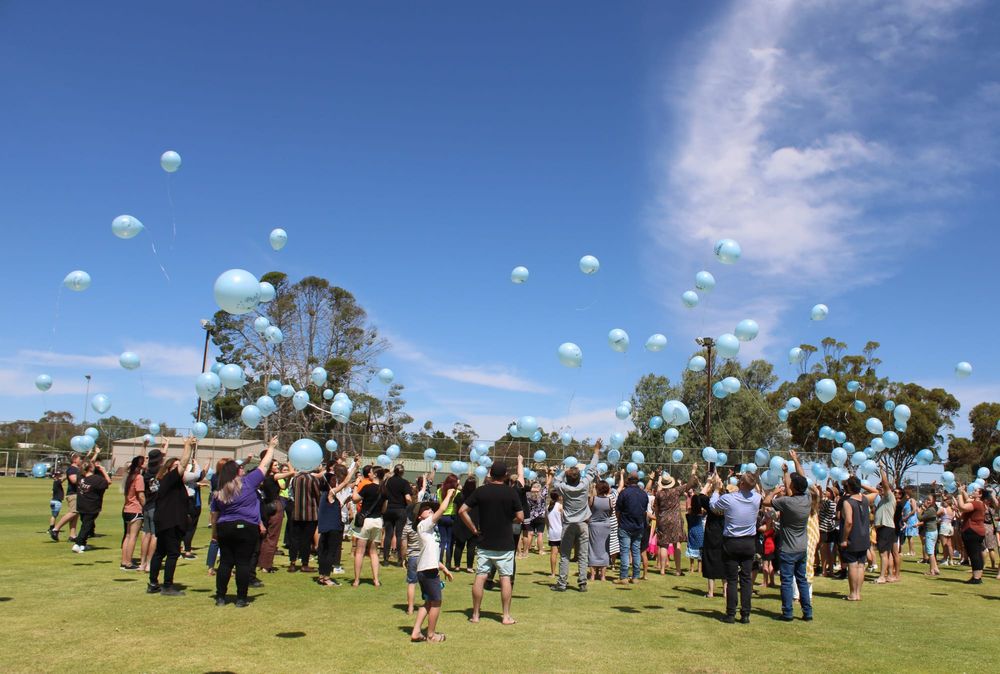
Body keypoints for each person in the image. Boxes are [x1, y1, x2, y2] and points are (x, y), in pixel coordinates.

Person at [209, 436, 275, 607]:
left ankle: (221, 597)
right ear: (236, 472)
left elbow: (215, 515)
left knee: (225, 562)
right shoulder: (248, 482)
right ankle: (241, 598)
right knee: (243, 563)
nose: (242, 469)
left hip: (225, 527)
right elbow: (265, 465)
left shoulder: (219, 491)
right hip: (246, 528)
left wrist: (214, 533)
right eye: (240, 467)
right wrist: (272, 447)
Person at [459, 462, 523, 625]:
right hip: (505, 542)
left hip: (484, 541)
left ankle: (475, 614)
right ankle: (506, 616)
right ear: (505, 475)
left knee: (480, 577)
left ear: (490, 474)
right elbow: (521, 517)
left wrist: (473, 529)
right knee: (505, 578)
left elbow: (462, 511)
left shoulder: (481, 491)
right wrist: (509, 520)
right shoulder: (511, 492)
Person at [762, 450, 813, 622]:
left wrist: (774, 491)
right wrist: (794, 462)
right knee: (802, 580)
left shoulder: (786, 502)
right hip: (801, 547)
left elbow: (766, 502)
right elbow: (802, 477)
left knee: (786, 581)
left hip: (787, 549)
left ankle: (788, 613)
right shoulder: (807, 499)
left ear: (793, 488)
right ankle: (807, 612)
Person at [709, 471, 760, 623]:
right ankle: (745, 614)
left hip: (732, 542)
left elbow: (713, 506)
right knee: (746, 579)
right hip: (749, 542)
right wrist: (748, 479)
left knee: (732, 579)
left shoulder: (728, 498)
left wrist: (717, 490)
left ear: (742, 483)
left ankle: (731, 614)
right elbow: (755, 488)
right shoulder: (757, 498)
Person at [551, 440, 601, 592]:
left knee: (565, 555)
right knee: (583, 554)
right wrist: (596, 451)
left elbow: (555, 481)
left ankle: (562, 583)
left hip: (568, 525)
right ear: (579, 477)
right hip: (583, 525)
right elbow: (592, 469)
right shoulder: (585, 484)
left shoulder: (564, 487)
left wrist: (563, 472)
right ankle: (582, 583)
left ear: (568, 477)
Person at [148, 437, 194, 597]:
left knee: (160, 553)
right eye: (174, 467)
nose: (179, 469)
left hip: (166, 521)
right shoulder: (169, 479)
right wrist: (187, 446)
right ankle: (167, 586)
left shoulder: (171, 482)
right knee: (173, 553)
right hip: (170, 523)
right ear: (168, 469)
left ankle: (153, 583)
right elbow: (183, 463)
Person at [410, 488, 456, 643]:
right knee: (436, 602)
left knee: (429, 602)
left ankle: (416, 632)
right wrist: (449, 494)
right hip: (428, 571)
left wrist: (443, 568)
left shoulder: (430, 530)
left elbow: (431, 553)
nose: (429, 510)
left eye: (430, 508)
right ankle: (431, 635)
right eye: (425, 509)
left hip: (428, 568)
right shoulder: (423, 525)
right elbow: (442, 509)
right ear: (419, 516)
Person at [317, 458, 358, 587]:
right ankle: (327, 577)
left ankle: (322, 575)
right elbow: (346, 482)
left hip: (324, 526)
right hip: (333, 526)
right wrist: (355, 467)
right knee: (331, 551)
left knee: (323, 550)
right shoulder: (331, 492)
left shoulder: (324, 494)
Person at [653, 464, 699, 576]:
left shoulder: (659, 494)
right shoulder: (676, 491)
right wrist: (693, 470)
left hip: (663, 520)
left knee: (663, 544)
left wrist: (658, 521)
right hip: (675, 520)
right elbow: (690, 484)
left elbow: (656, 508)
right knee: (676, 543)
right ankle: (678, 570)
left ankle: (662, 570)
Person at [839, 475, 873, 601]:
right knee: (860, 565)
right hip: (864, 537)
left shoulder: (848, 502)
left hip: (853, 537)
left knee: (852, 565)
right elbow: (875, 491)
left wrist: (844, 538)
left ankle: (853, 593)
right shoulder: (864, 499)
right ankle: (858, 593)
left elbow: (848, 522)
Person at [352, 467, 386, 587]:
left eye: (371, 472)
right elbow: (384, 508)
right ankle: (376, 580)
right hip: (377, 521)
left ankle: (356, 580)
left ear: (375, 474)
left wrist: (356, 485)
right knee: (373, 552)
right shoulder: (384, 490)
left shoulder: (367, 487)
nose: (369, 474)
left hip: (365, 521)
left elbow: (355, 499)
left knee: (360, 551)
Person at [257, 456, 293, 574]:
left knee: (265, 536)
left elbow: (283, 487)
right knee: (272, 537)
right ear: (271, 468)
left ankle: (261, 562)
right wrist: (289, 464)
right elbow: (291, 473)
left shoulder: (264, 478)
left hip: (265, 506)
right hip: (275, 505)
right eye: (276, 465)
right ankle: (266, 565)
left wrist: (288, 479)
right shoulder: (274, 476)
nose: (278, 467)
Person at [614, 471, 649, 585]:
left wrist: (619, 522)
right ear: (638, 481)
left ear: (628, 481)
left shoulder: (624, 493)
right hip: (639, 526)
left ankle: (624, 577)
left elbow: (617, 510)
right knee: (636, 552)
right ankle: (635, 577)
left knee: (624, 552)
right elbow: (644, 510)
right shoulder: (643, 494)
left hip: (625, 525)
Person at [50, 450, 92, 542]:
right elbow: (73, 480)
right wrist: (84, 478)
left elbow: (87, 463)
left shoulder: (77, 468)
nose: (81, 460)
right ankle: (55, 529)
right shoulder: (72, 469)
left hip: (78, 494)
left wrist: (91, 454)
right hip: (73, 494)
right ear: (74, 459)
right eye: (79, 458)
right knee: (73, 512)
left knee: (75, 515)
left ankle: (72, 535)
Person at [288, 468, 322, 573]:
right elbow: (318, 495)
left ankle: (292, 563)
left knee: (294, 539)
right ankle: (304, 564)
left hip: (296, 513)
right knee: (306, 540)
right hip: (310, 514)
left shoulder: (295, 479)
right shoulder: (313, 479)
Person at [73, 459, 111, 552]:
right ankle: (77, 544)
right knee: (86, 526)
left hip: (81, 505)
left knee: (86, 524)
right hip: (92, 506)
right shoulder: (96, 479)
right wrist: (103, 470)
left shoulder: (80, 477)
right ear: (90, 468)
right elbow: (108, 482)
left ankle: (82, 544)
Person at [697, 474, 725, 598]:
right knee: (725, 561)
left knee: (710, 560)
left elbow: (701, 496)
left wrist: (709, 482)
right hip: (724, 534)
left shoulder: (710, 503)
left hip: (711, 534)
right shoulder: (728, 503)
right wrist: (719, 483)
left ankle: (711, 592)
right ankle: (725, 592)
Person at [955, 485, 989, 584]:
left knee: (974, 555)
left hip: (972, 531)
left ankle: (976, 578)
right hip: (977, 531)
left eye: (975, 491)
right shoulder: (979, 502)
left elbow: (962, 507)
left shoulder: (977, 504)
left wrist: (959, 493)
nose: (973, 491)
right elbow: (968, 499)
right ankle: (977, 576)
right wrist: (963, 491)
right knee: (976, 554)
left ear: (980, 494)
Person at [138, 445, 165, 573]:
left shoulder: (146, 471)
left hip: (147, 505)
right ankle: (149, 563)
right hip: (157, 506)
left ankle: (142, 563)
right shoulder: (161, 471)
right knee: (155, 535)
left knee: (145, 534)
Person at [868, 468, 897, 584]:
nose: (879, 489)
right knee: (887, 553)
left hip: (886, 528)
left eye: (880, 488)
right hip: (885, 528)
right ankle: (889, 575)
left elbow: (885, 483)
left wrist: (881, 469)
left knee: (883, 554)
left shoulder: (890, 497)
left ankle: (881, 577)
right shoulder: (882, 500)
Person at [381, 464, 412, 566]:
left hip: (388, 509)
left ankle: (385, 559)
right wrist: (411, 506)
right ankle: (399, 560)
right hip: (400, 510)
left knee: (388, 535)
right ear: (402, 472)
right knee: (399, 535)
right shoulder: (404, 482)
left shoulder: (387, 481)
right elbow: (408, 498)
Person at [120, 456, 146, 570]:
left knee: (128, 535)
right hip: (135, 509)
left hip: (127, 509)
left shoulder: (129, 477)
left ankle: (124, 561)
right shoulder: (139, 477)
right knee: (133, 537)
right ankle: (128, 562)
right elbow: (140, 495)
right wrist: (146, 506)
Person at [451, 477, 479, 572]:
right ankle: (469, 567)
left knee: (459, 545)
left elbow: (455, 509)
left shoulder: (459, 495)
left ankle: (457, 566)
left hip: (460, 522)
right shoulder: (477, 496)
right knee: (471, 546)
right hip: (473, 522)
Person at [588, 479, 613, 581]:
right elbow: (610, 513)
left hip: (594, 526)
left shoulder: (593, 499)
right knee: (604, 550)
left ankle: (593, 575)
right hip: (605, 527)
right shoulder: (609, 500)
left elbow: (589, 511)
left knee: (592, 550)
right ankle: (603, 576)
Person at [181, 457, 206, 559]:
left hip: (183, 501)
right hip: (189, 502)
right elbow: (198, 474)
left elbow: (199, 477)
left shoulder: (183, 478)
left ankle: (180, 549)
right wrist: (196, 463)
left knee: (182, 527)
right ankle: (187, 550)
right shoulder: (186, 476)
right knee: (190, 527)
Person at [435, 473, 460, 569]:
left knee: (442, 541)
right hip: (451, 517)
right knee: (449, 541)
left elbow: (438, 503)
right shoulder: (457, 492)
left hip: (441, 516)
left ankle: (440, 561)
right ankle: (448, 563)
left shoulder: (439, 491)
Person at [521, 476, 549, 558]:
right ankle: (541, 550)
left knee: (530, 534)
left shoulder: (528, 495)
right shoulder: (542, 494)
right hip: (541, 516)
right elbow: (547, 485)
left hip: (531, 516)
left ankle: (526, 551)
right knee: (540, 534)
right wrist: (548, 475)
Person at [916, 492, 940, 576]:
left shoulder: (931, 510)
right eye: (927, 499)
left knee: (930, 552)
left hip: (930, 532)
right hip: (933, 531)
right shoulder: (932, 509)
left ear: (933, 501)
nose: (927, 501)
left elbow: (920, 518)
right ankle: (935, 568)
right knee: (931, 551)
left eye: (929, 500)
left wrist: (919, 510)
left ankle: (932, 570)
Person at [547, 492, 563, 577]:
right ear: (559, 497)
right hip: (560, 532)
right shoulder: (560, 506)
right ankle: (562, 573)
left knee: (553, 553)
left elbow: (547, 522)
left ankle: (553, 573)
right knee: (563, 554)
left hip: (552, 532)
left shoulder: (548, 507)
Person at [48, 470, 64, 534]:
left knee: (54, 515)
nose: (60, 476)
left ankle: (52, 528)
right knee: (54, 516)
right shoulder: (57, 482)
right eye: (58, 475)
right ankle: (51, 528)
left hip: (53, 501)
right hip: (56, 501)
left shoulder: (55, 483)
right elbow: (63, 479)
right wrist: (67, 474)